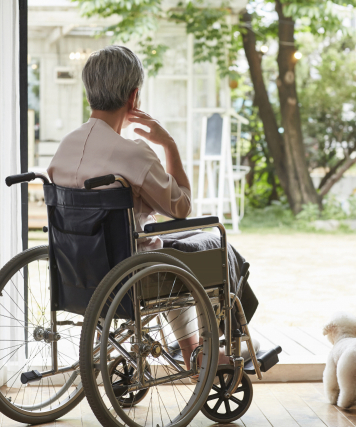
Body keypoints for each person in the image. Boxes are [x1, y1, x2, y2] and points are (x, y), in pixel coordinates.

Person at [47, 45, 258, 368]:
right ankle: (209, 351)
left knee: (171, 248)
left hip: (77, 270)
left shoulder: (65, 148)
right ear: (133, 98)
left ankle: (191, 350)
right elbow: (181, 207)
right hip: (130, 272)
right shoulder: (134, 154)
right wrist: (168, 144)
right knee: (213, 242)